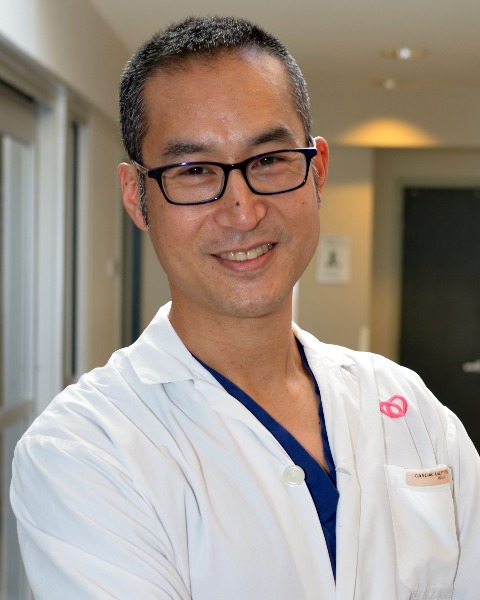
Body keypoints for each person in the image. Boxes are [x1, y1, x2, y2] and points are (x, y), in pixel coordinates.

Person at [10, 15, 480, 600]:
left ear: (318, 171)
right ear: (136, 196)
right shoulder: (84, 449)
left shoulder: (411, 410)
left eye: (269, 160)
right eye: (194, 170)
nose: (243, 211)